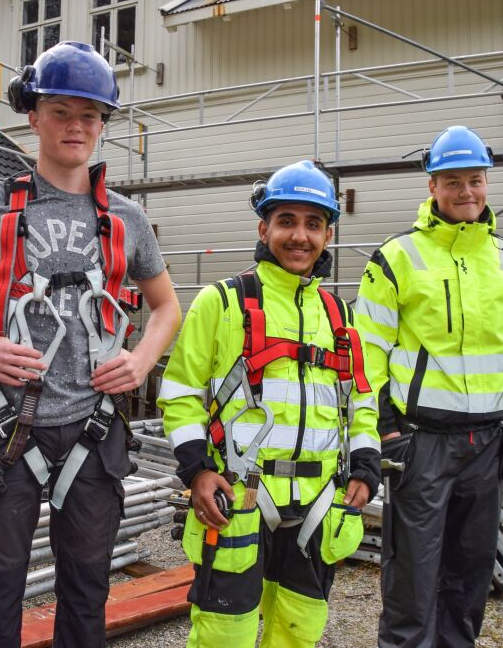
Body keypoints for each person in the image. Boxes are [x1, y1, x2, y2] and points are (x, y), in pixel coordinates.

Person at [0, 41, 180, 648]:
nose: (76, 126)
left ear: (104, 123)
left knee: (86, 594)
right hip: (6, 429)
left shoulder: (126, 218)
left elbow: (166, 307)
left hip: (94, 430)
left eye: (90, 115)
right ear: (34, 116)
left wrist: (140, 359)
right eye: (61, 111)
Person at [158, 160, 381, 647]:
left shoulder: (342, 317)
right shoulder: (222, 303)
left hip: (320, 501)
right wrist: (196, 471)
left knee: (299, 632)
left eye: (313, 224)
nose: (300, 236)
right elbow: (179, 392)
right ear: (264, 227)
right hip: (239, 498)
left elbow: (360, 400)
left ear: (328, 235)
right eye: (287, 221)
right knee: (225, 635)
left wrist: (365, 466)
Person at [355, 126, 503, 647]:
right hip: (421, 442)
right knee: (413, 573)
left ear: (487, 183)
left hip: (488, 441)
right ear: (432, 187)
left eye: (476, 180)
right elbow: (367, 351)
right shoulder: (396, 257)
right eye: (453, 181)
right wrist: (385, 430)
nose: (467, 192)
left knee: (470, 571)